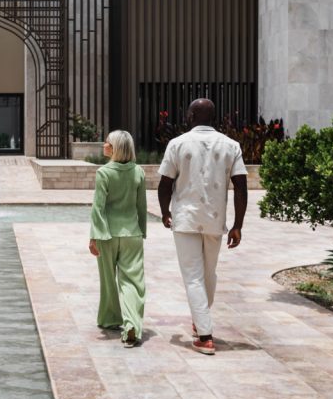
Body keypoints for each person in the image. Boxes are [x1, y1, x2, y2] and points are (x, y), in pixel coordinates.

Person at [157, 99, 247, 355]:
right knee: (209, 274)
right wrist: (237, 225)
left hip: (185, 219)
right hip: (215, 220)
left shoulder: (177, 144)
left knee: (194, 277)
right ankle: (200, 320)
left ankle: (205, 336)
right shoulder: (232, 145)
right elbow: (241, 186)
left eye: (188, 112)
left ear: (193, 115)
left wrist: (165, 212)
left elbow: (165, 183)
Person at [88, 129, 147, 348]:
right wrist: (142, 231)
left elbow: (98, 208)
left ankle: (110, 319)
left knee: (108, 280)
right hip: (132, 234)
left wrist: (94, 236)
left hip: (107, 235)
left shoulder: (104, 173)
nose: (103, 144)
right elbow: (142, 207)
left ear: (114, 149)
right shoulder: (138, 172)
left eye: (107, 142)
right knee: (133, 282)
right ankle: (131, 324)